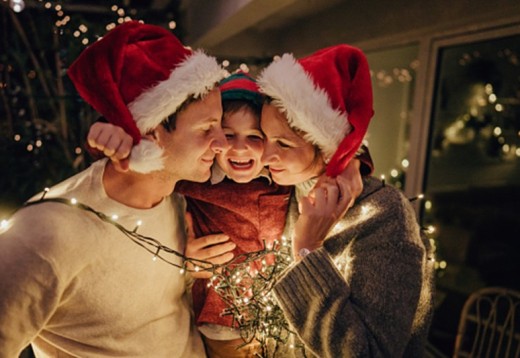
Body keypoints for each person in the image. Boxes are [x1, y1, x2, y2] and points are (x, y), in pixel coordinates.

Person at [85, 69, 374, 357]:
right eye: (228, 134)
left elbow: (321, 142)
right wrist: (111, 134)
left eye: (255, 136)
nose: (240, 147)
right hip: (222, 320)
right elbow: (144, 162)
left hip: (283, 313)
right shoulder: (198, 178)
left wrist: (355, 161)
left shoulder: (279, 174)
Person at [0, 21, 229, 357]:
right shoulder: (47, 232)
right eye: (207, 128)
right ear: (152, 132)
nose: (222, 142)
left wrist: (187, 272)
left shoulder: (180, 203)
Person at [254, 44, 436, 357]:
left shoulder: (384, 214)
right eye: (264, 137)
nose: (266, 156)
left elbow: (368, 352)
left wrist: (307, 251)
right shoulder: (284, 187)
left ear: (326, 145)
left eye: (283, 143)